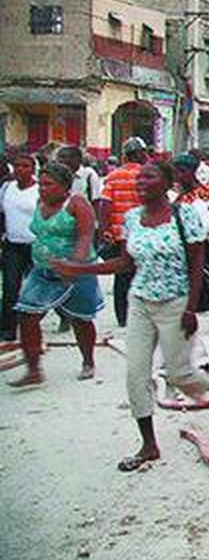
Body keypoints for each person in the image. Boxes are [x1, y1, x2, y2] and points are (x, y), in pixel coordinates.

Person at [52, 160, 209, 470]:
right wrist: (82, 269)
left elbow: (197, 263)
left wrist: (190, 308)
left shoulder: (184, 214)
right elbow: (125, 262)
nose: (140, 183)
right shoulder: (133, 218)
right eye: (139, 178)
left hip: (175, 303)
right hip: (140, 302)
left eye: (148, 177)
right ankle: (148, 445)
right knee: (136, 374)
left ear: (167, 183)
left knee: (180, 375)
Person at [9, 162, 101, 387]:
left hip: (76, 272)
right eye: (40, 184)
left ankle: (88, 361)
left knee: (81, 319)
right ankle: (33, 370)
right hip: (42, 272)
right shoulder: (40, 203)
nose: (42, 188)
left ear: (64, 186)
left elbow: (85, 236)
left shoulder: (77, 203)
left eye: (48, 184)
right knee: (27, 314)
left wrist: (75, 265)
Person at [97, 137, 150, 329]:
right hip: (144, 233)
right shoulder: (147, 174)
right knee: (144, 274)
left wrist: (104, 231)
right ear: (138, 154)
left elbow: (105, 204)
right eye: (144, 152)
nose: (146, 156)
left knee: (122, 276)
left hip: (121, 235)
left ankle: (122, 316)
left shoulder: (113, 176)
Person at [173, 154, 209, 331]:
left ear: (191, 172)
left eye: (181, 172)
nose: (178, 176)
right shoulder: (178, 197)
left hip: (206, 242)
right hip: (183, 244)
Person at [1, 154, 38, 342]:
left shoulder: (40, 190)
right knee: (10, 286)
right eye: (17, 166)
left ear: (33, 169)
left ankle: (64, 314)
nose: (20, 170)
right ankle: (8, 329)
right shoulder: (7, 188)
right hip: (13, 245)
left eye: (25, 166)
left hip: (36, 246)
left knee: (41, 286)